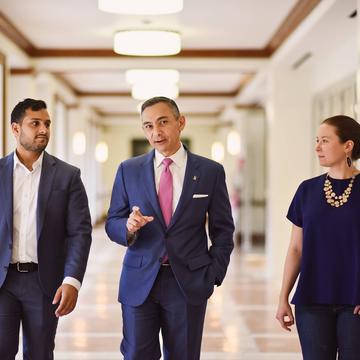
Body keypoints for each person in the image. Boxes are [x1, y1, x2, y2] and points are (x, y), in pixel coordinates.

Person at [106, 96, 234, 360]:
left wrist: (213, 274)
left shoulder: (210, 171)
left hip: (188, 282)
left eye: (163, 122)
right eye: (148, 126)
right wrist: (128, 227)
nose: (156, 132)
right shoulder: (128, 170)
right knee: (136, 354)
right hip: (139, 282)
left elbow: (223, 230)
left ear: (181, 122)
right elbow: (112, 222)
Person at [0, 98, 92, 359]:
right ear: (15, 129)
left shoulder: (67, 175)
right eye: (35, 123)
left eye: (47, 124)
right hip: (2, 282)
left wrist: (71, 280)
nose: (43, 129)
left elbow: (80, 233)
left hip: (44, 283)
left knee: (40, 353)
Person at [276, 115, 360, 359]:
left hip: (354, 301)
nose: (317, 147)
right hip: (311, 300)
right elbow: (296, 249)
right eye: (316, 140)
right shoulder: (307, 190)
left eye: (325, 140)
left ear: (348, 145)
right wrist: (283, 297)